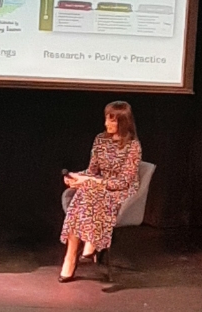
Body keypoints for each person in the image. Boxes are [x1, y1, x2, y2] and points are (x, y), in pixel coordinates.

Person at [58, 101, 142, 283]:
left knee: (93, 190)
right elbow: (92, 171)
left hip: (121, 190)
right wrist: (76, 178)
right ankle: (78, 251)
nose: (107, 124)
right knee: (85, 190)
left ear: (123, 122)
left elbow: (123, 181)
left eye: (112, 121)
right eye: (106, 119)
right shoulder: (100, 140)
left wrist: (91, 182)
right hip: (98, 186)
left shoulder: (133, 146)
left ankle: (85, 247)